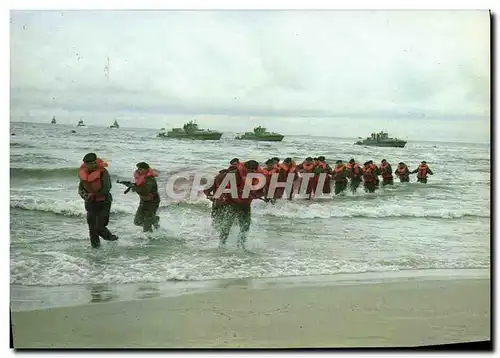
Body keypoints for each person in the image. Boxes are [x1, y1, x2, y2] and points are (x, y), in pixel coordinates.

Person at [205, 160, 265, 250]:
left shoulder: (258, 177)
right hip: (231, 204)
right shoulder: (232, 175)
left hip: (245, 205)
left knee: (245, 226)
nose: (251, 173)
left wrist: (256, 195)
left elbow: (262, 192)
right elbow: (226, 191)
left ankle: (241, 245)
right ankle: (221, 245)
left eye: (253, 171)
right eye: (249, 170)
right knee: (227, 225)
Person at [78, 153, 118, 248]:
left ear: (95, 162)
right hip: (90, 203)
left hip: (104, 202)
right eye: (86, 164)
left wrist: (94, 194)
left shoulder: (103, 172)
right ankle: (95, 251)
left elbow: (107, 188)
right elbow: (80, 189)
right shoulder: (84, 173)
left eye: (90, 164)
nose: (88, 166)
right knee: (92, 229)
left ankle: (112, 239)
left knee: (99, 227)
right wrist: (84, 195)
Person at [131, 162, 160, 232]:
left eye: (140, 169)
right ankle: (154, 220)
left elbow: (145, 191)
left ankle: (150, 240)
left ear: (146, 169)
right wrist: (133, 186)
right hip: (144, 201)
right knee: (137, 222)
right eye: (138, 169)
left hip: (153, 202)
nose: (138, 170)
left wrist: (135, 188)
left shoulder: (150, 179)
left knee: (147, 225)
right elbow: (139, 186)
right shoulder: (140, 177)